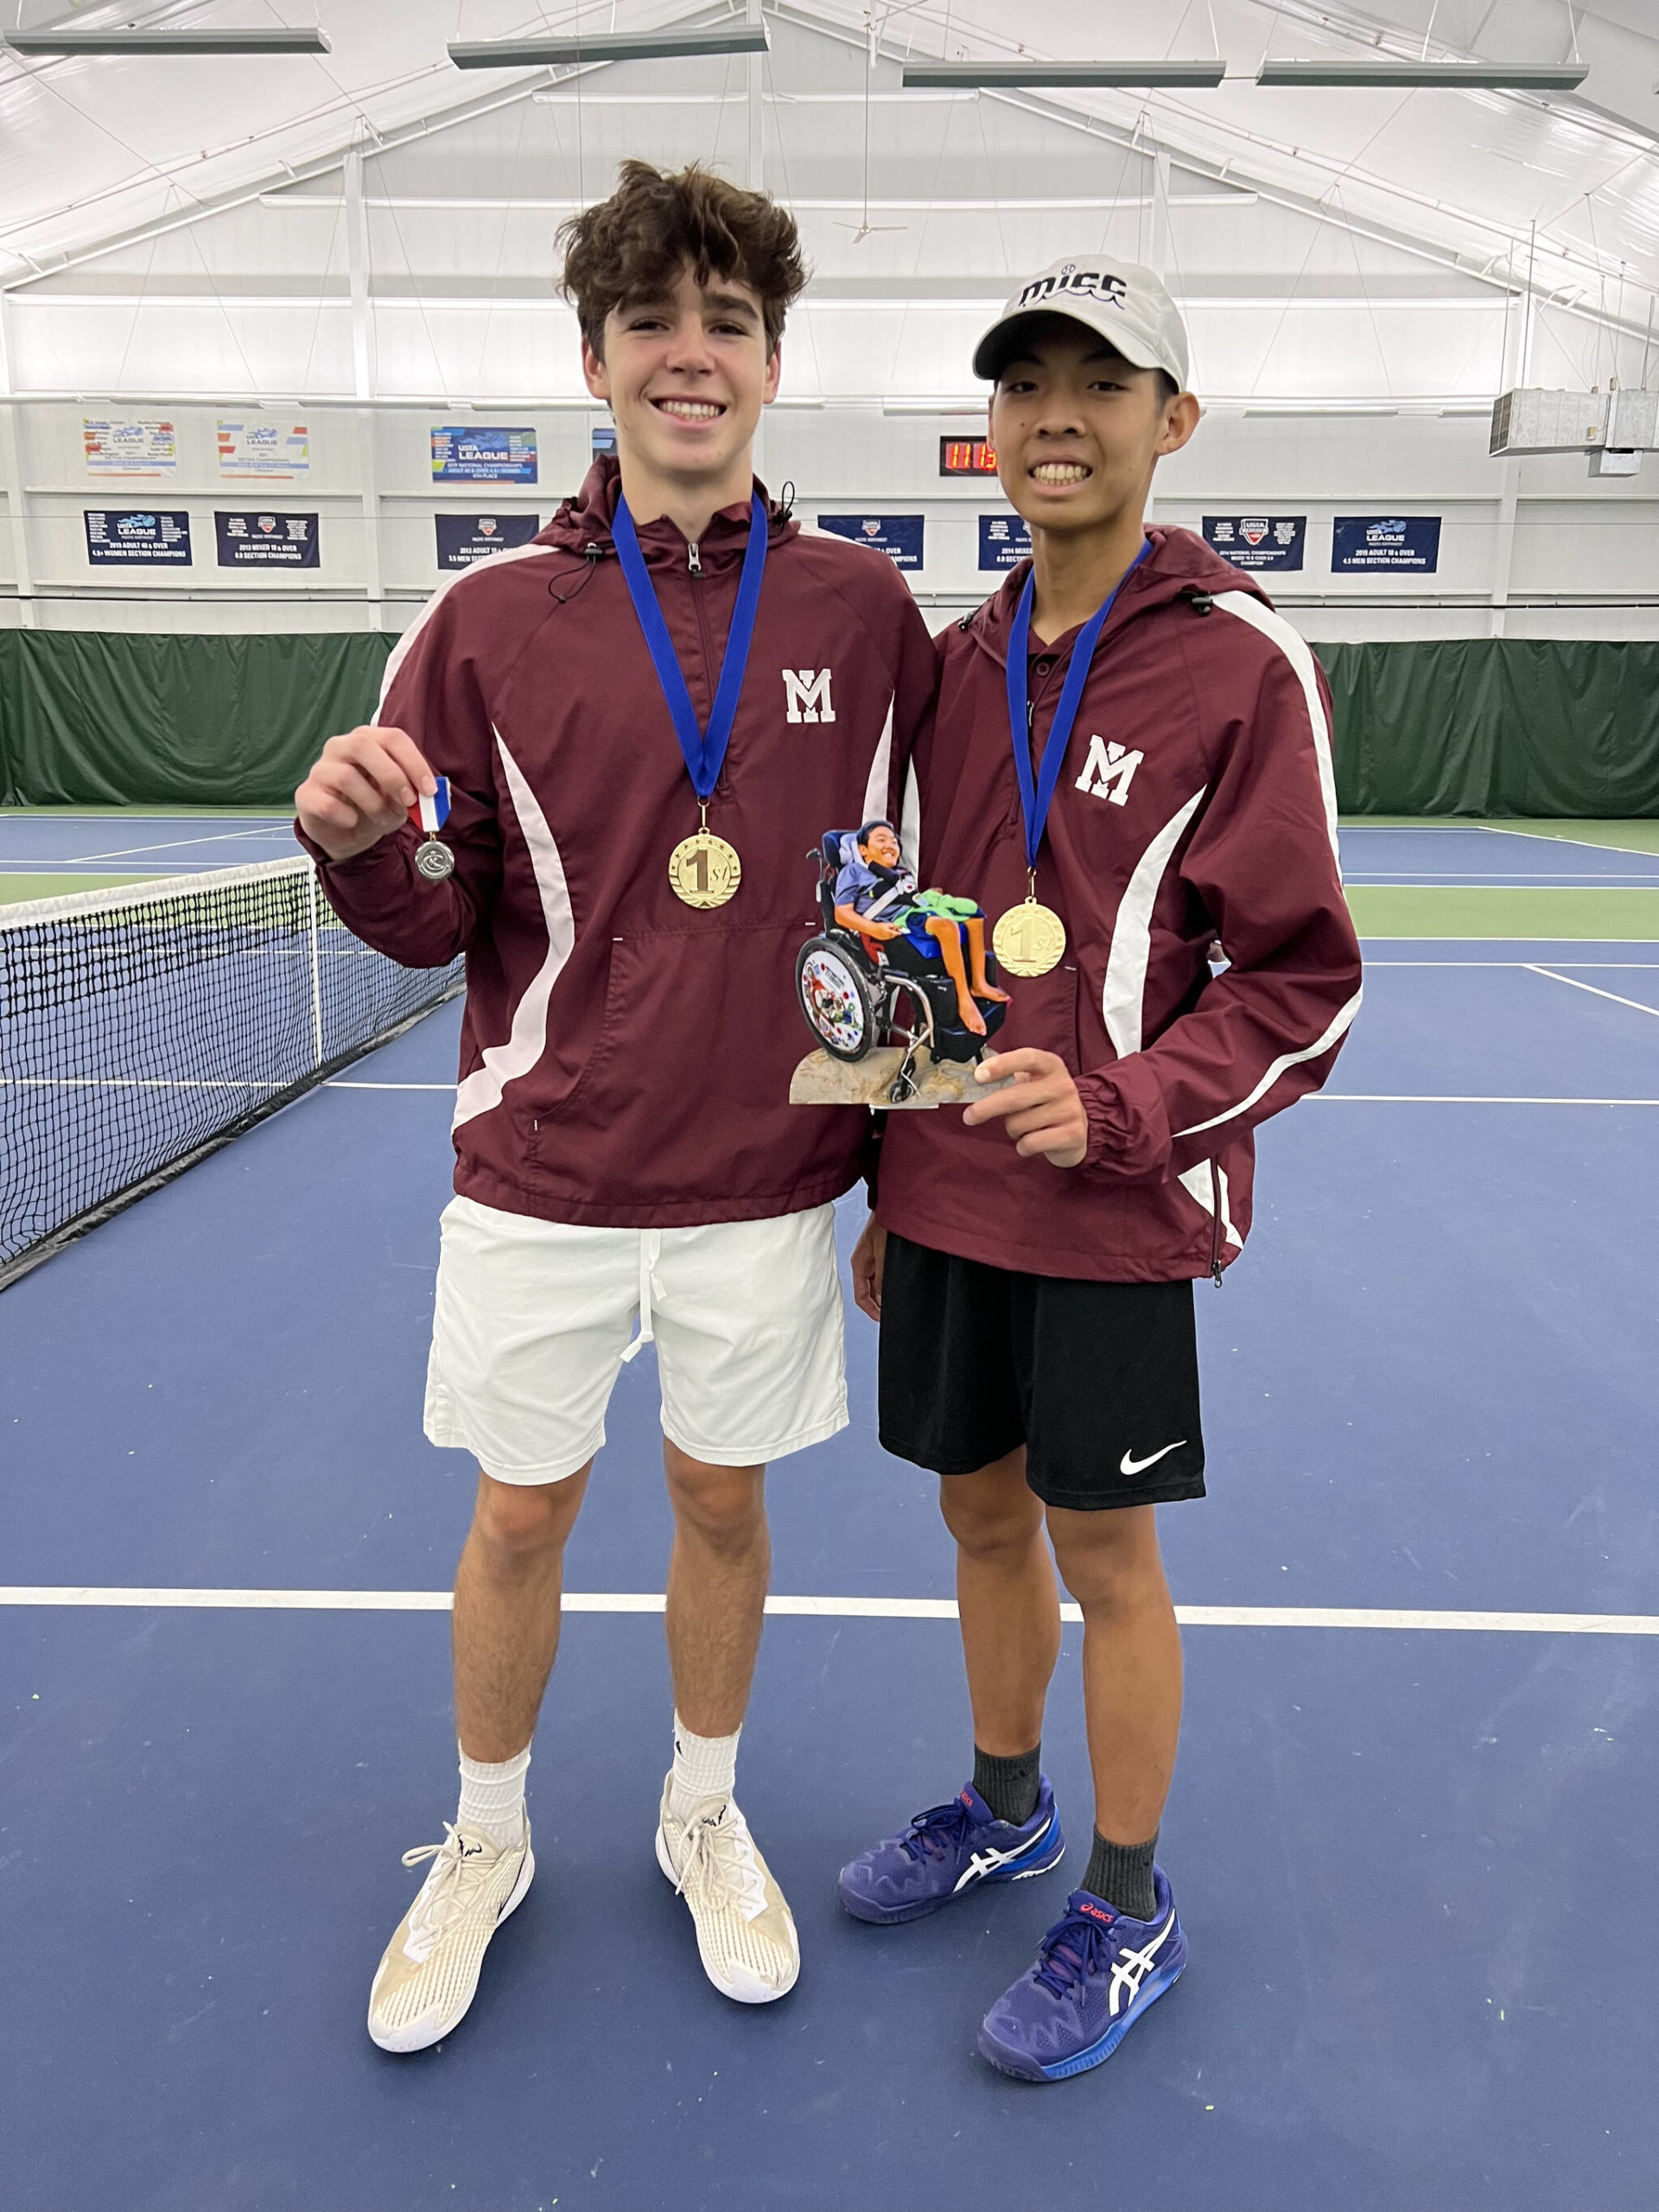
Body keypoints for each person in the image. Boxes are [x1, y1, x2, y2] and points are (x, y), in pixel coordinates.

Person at [292, 161, 935, 2051]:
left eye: (727, 321)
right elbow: (432, 916)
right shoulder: (485, 619)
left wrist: (896, 1168)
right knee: (518, 1515)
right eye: (654, 319)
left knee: (721, 1504)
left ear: (772, 360)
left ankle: (699, 1807)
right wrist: (349, 850)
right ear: (595, 356)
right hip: (545, 1167)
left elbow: (883, 906)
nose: (690, 353)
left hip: (764, 1184)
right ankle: (483, 1837)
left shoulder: (864, 603)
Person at [836, 258, 1363, 2082]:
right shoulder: (956, 658)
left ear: (1172, 420)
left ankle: (1126, 1905)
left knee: (1107, 1552)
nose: (1057, 414)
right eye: (1026, 383)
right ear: (989, 430)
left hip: (1120, 1202)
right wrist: (887, 1183)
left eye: (1102, 382)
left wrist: (1129, 1107)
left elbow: (1306, 982)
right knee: (978, 1518)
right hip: (951, 1198)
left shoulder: (1239, 659)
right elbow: (922, 932)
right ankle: (1004, 1806)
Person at [830, 818, 1007, 1033]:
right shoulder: (854, 873)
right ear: (863, 850)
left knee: (972, 912)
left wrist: (927, 896)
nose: (890, 844)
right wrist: (873, 928)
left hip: (917, 910)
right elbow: (842, 914)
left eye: (894, 841)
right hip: (897, 922)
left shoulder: (900, 873)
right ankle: (964, 1000)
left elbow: (909, 898)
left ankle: (979, 983)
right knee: (947, 927)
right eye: (881, 839)